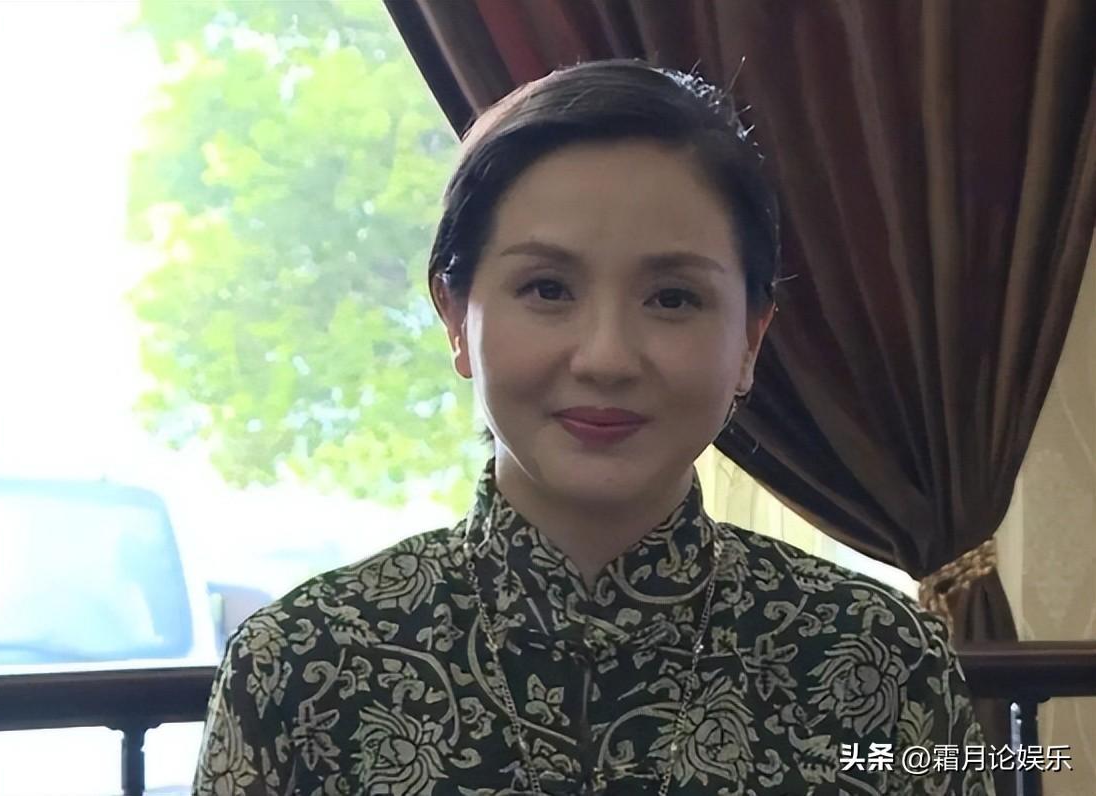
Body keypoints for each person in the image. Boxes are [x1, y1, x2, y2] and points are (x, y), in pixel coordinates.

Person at [193, 60, 995, 796]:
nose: (607, 357)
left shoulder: (882, 658)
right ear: (456, 318)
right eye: (547, 288)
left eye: (673, 298)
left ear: (750, 341)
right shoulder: (301, 665)